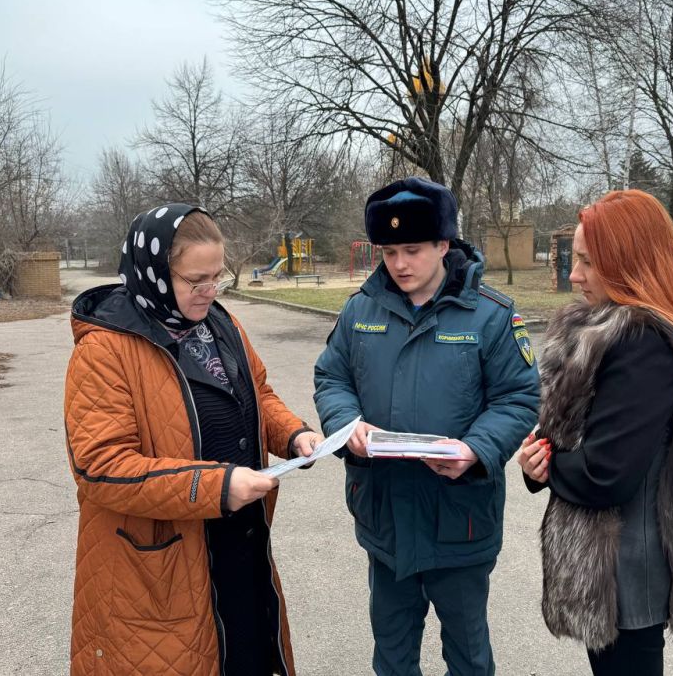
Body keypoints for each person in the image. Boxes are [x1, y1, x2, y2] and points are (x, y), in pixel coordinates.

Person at [64, 204, 322, 676]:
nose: (208, 291)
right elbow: (101, 467)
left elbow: (258, 393)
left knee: (246, 654)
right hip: (159, 564)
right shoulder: (105, 349)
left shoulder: (219, 323)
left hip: (238, 541)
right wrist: (216, 487)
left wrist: (293, 433)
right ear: (155, 275)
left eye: (216, 276)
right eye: (194, 280)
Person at [314, 177, 540, 676]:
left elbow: (519, 396)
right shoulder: (360, 310)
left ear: (444, 244)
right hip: (385, 520)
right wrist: (345, 422)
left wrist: (476, 450)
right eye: (389, 251)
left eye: (413, 249)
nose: (399, 264)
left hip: (458, 521)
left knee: (468, 655)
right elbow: (332, 376)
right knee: (392, 655)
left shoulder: (492, 316)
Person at [517, 189, 673, 676]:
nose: (574, 276)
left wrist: (550, 467)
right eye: (574, 259)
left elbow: (605, 474)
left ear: (632, 263)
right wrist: (540, 461)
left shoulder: (640, 344)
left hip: (625, 575)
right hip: (612, 570)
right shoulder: (612, 333)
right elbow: (571, 438)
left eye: (589, 262)